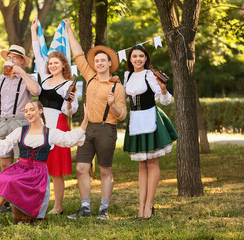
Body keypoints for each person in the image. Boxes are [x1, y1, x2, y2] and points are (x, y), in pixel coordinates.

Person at [0, 100, 89, 226]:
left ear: (40, 111)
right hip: (20, 167)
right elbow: (5, 145)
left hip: (37, 174)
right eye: (26, 111)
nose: (28, 113)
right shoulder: (21, 131)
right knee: (2, 178)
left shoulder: (50, 132)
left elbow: (70, 139)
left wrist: (85, 119)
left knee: (11, 182)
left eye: (32, 110)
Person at [64, 19, 127, 220]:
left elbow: (122, 114)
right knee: (81, 167)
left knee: (104, 170)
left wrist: (113, 105)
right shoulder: (89, 76)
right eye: (97, 60)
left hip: (106, 130)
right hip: (87, 129)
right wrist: (69, 30)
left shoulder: (117, 87)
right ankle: (85, 208)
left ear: (110, 63)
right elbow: (78, 54)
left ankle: (103, 209)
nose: (99, 63)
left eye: (103, 60)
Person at [122, 45, 179, 219]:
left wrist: (162, 88)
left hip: (151, 118)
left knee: (152, 163)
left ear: (146, 58)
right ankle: (140, 207)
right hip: (135, 121)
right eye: (134, 56)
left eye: (141, 56)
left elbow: (165, 100)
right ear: (130, 59)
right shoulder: (128, 76)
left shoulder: (150, 75)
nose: (138, 59)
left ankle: (149, 206)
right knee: (142, 165)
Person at [31, 18, 79, 215]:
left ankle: (58, 206)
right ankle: (39, 203)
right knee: (41, 166)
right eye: (50, 63)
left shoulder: (68, 84)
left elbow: (71, 111)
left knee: (56, 170)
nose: (52, 66)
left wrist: (68, 101)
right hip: (41, 124)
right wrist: (34, 30)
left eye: (56, 63)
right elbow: (37, 52)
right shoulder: (45, 77)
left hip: (58, 123)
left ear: (63, 65)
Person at [0, 45, 41, 212]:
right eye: (9, 58)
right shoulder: (0, 79)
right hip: (2, 123)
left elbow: (36, 90)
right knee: (5, 163)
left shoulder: (26, 77)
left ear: (21, 61)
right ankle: (5, 200)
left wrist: (21, 72)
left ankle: (20, 201)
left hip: (20, 123)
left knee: (22, 164)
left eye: (15, 58)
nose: (11, 61)